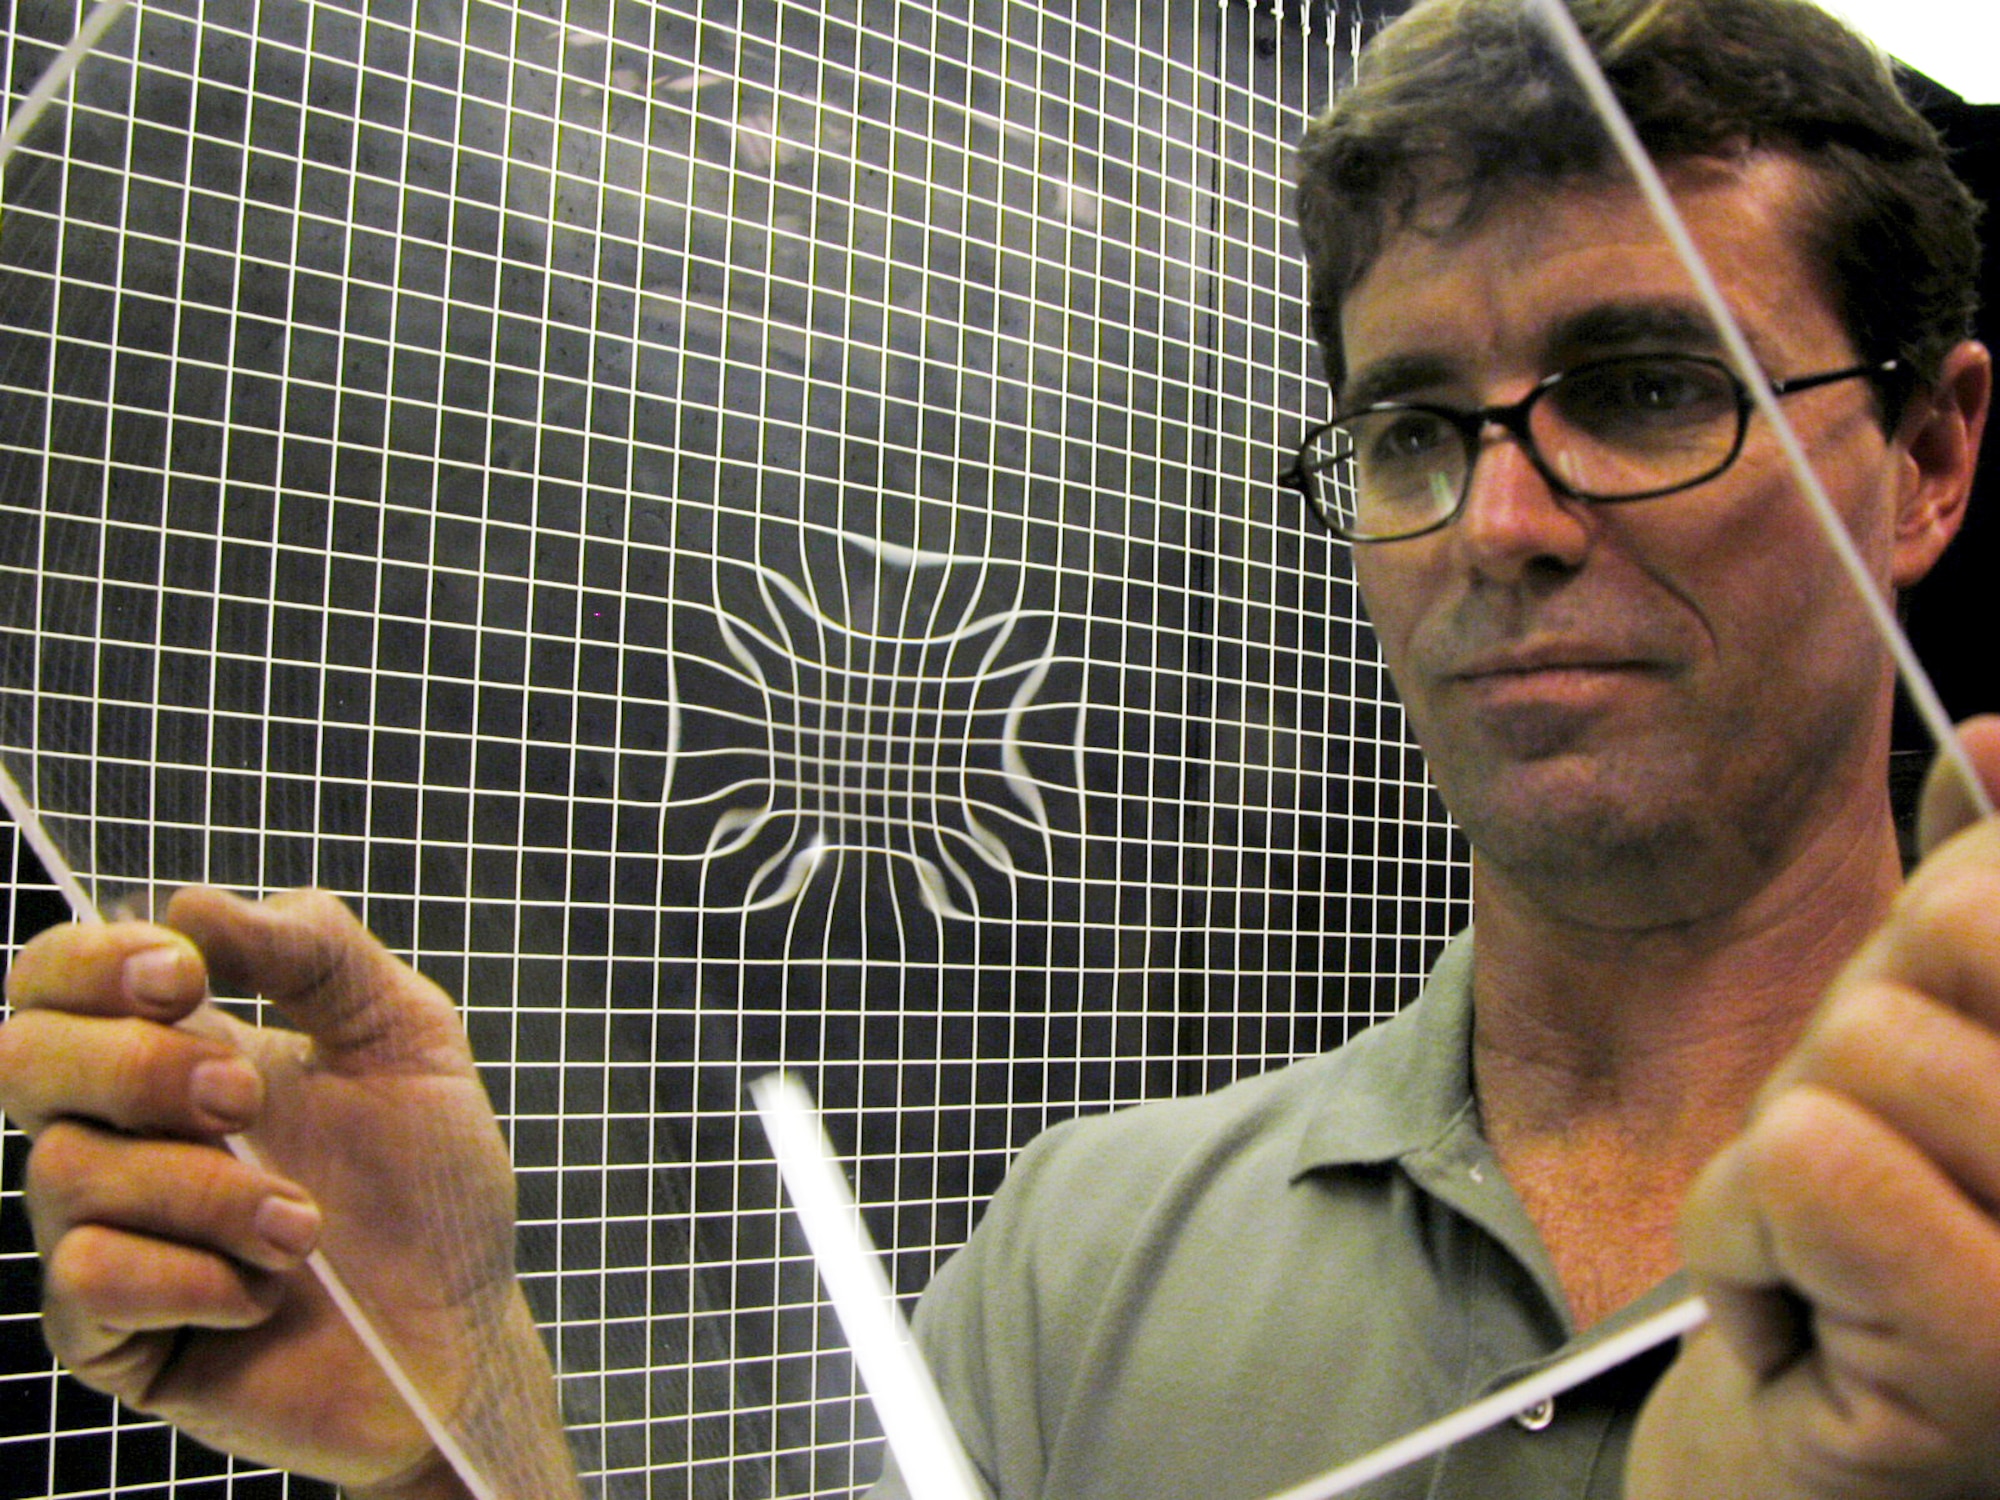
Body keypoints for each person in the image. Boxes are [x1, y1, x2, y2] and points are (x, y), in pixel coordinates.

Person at [4, 0, 1999, 1496]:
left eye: (1645, 392)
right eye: (1406, 432)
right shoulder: (1082, 1256)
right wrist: (465, 1432)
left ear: (1925, 455)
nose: (1498, 521)